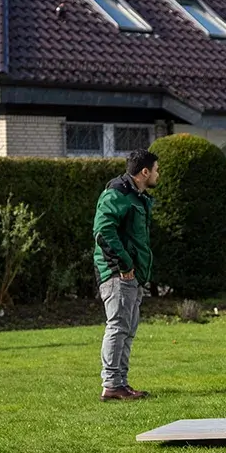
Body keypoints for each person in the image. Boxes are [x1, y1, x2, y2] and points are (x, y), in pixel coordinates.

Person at [93, 148, 158, 401]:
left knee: (127, 329)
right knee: (118, 327)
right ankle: (111, 383)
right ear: (144, 172)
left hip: (132, 275)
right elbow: (103, 231)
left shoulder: (136, 196)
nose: (157, 175)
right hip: (117, 274)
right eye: (156, 170)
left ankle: (120, 383)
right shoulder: (117, 193)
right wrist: (125, 265)